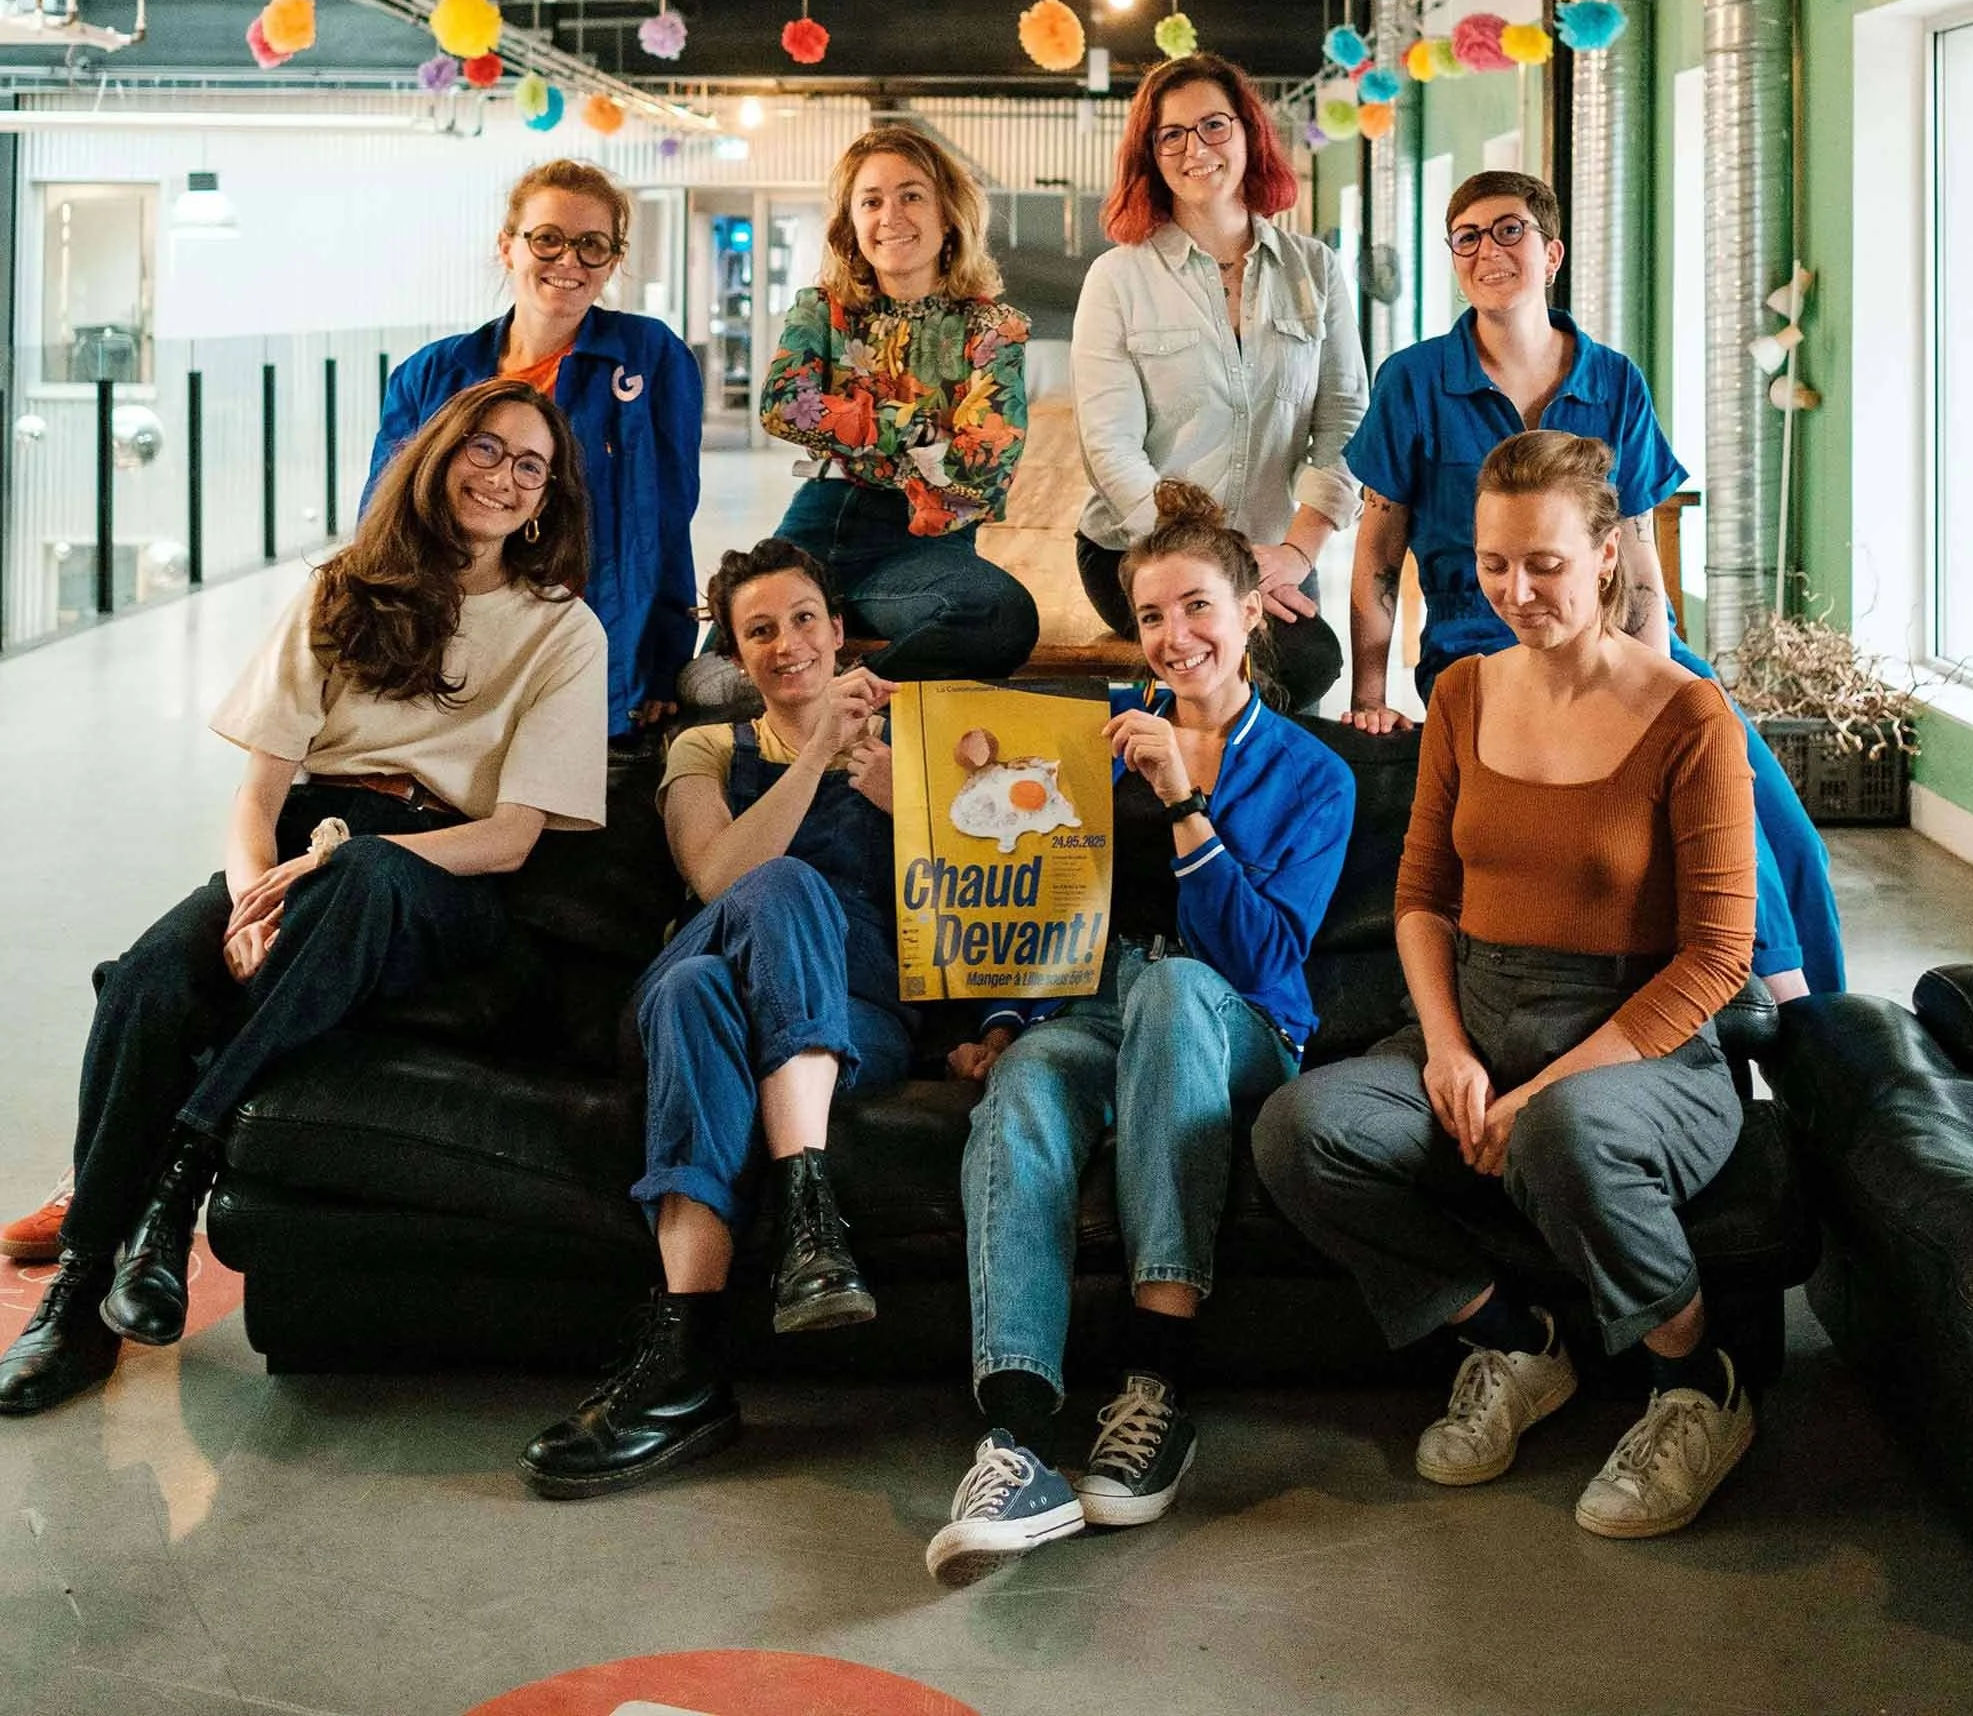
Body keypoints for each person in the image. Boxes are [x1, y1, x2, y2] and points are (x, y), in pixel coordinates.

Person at [0, 382, 606, 1420]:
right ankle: (79, 1300)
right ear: (439, 456)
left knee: (365, 873)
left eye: (530, 467)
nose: (503, 478)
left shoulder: (563, 630)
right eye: (485, 449)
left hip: (438, 871)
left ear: (548, 500)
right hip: (299, 849)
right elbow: (257, 797)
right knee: (151, 978)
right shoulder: (342, 587)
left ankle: (180, 1174)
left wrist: (334, 866)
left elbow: (510, 837)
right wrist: (249, 901)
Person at [1257, 431, 1759, 1541]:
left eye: (1544, 564)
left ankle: (1697, 1386)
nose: (1515, 591)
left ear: (1606, 558)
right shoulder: (1464, 693)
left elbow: (1719, 957)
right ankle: (1511, 1344)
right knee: (1301, 1129)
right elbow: (1421, 898)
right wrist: (1446, 1049)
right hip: (1476, 1018)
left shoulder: (1689, 717)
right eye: (1492, 563)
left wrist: (1537, 1096)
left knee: (1562, 1133)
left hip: (1640, 1046)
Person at [925, 481, 1355, 1587]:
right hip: (1099, 1009)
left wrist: (1181, 803)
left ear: (1251, 610)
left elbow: (1263, 958)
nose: (1174, 637)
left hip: (1239, 1021)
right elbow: (1037, 890)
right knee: (1026, 1078)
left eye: (1197, 606)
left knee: (1172, 992)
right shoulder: (1095, 736)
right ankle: (1015, 1436)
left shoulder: (1312, 772)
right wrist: (1006, 1017)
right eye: (1152, 616)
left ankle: (1156, 1383)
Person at [1343, 168, 1842, 1002]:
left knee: (1785, 830)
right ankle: (1787, 1013)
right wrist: (1368, 693)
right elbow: (1378, 552)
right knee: (1725, 814)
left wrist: (1657, 681)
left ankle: (1826, 1026)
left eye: (1509, 230)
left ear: (1552, 254)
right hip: (1486, 637)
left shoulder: (1613, 381)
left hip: (1625, 638)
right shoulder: (1414, 381)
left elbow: (1638, 556)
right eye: (1467, 236)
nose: (1488, 249)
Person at [519, 536, 912, 1499]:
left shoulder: (910, 744)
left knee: (700, 999)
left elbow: (982, 895)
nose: (788, 644)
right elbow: (718, 876)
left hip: (853, 1015)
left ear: (839, 630)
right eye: (760, 632)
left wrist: (909, 797)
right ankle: (812, 1215)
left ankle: (684, 1368)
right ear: (736, 657)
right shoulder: (705, 747)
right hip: (706, 955)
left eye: (804, 620)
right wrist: (817, 755)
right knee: (772, 893)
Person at [1070, 53, 1367, 719]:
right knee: (1286, 661)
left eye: (1213, 126)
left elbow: (1345, 420)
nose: (1195, 149)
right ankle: (1179, 779)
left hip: (1273, 554)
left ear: (1248, 134)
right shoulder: (1118, 279)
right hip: (1141, 551)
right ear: (1150, 155)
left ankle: (1257, 790)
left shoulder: (1315, 270)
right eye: (1171, 135)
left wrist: (1298, 551)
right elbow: (1110, 450)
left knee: (1308, 663)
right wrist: (1215, 565)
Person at [370, 157, 703, 738]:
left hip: (590, 644)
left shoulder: (651, 356)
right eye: (547, 239)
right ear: (508, 247)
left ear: (614, 260)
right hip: (454, 643)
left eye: (591, 245)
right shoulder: (431, 376)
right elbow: (384, 523)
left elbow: (669, 518)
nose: (569, 261)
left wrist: (665, 657)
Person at [743, 127, 1038, 682]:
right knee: (707, 681)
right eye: (871, 201)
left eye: (911, 196)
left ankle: (847, 699)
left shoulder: (992, 328)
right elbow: (782, 404)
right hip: (819, 522)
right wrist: (921, 433)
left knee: (1000, 616)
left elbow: (984, 469)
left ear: (947, 214)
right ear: (851, 224)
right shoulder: (823, 309)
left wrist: (848, 422)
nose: (890, 216)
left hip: (922, 547)